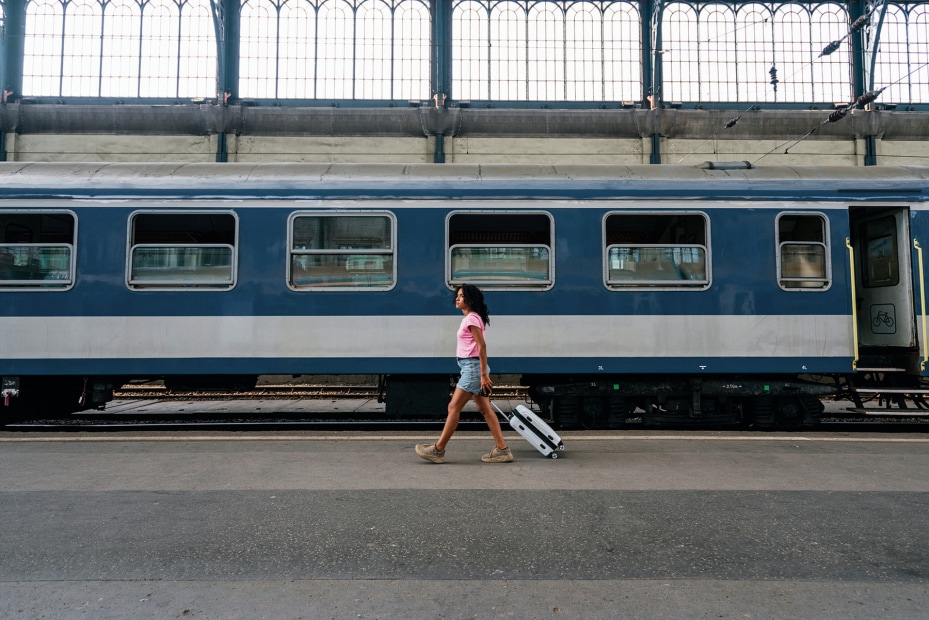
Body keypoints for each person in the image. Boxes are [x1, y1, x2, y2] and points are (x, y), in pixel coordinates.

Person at [415, 284, 513, 464]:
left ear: (470, 300)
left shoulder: (471, 319)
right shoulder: (472, 318)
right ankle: (502, 450)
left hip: (473, 369)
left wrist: (483, 375)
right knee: (485, 410)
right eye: (457, 295)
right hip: (471, 367)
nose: (457, 298)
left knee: (453, 407)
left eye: (461, 296)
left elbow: (481, 346)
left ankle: (437, 450)